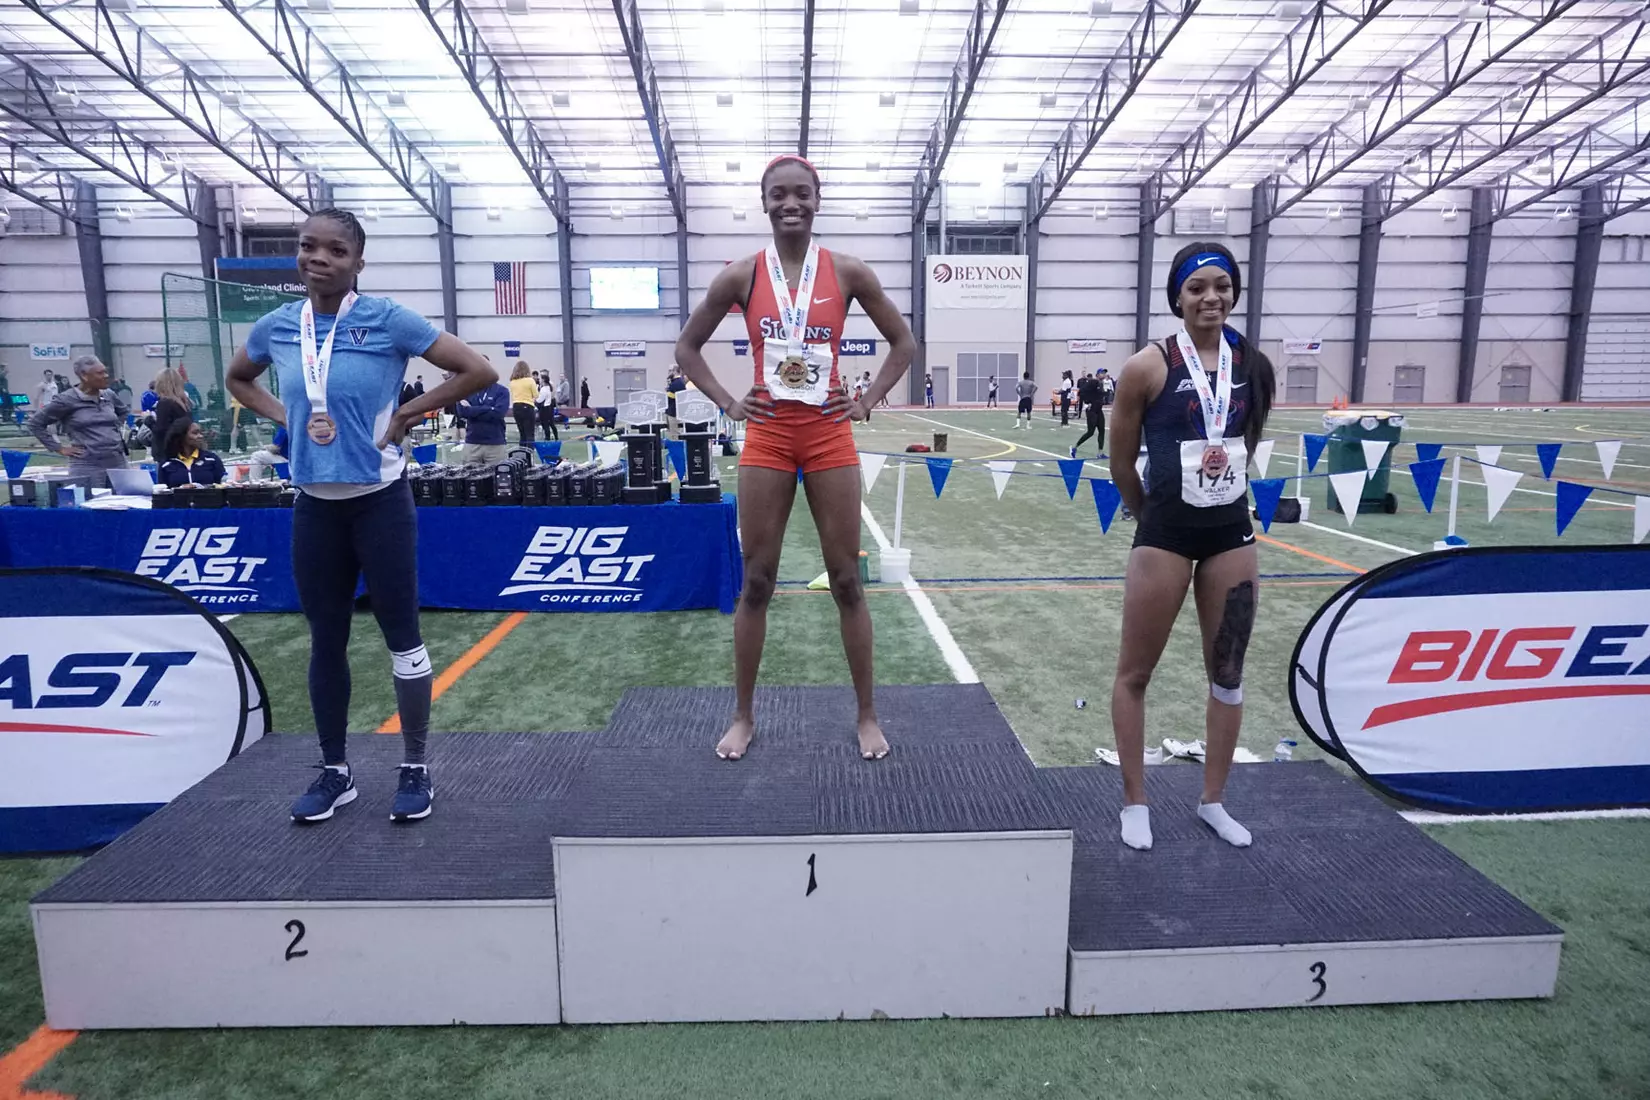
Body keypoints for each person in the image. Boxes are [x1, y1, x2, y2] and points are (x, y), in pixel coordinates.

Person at [227, 206, 495, 825]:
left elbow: (476, 369)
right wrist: (285, 417)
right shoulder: (277, 326)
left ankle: (416, 767)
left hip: (380, 503)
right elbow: (241, 378)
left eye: (335, 251)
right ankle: (335, 771)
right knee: (327, 640)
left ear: (357, 263)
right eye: (307, 247)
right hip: (315, 508)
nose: (318, 258)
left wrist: (407, 415)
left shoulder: (385, 319)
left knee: (402, 637)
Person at [675, 153, 915, 762]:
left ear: (817, 199)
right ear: (764, 203)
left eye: (801, 194)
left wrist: (867, 401)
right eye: (779, 195)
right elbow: (687, 347)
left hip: (830, 435)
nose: (791, 204)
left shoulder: (849, 272)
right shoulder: (741, 277)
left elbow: (904, 342)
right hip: (769, 438)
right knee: (756, 582)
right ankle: (743, 716)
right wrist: (730, 402)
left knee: (846, 582)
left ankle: (866, 714)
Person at [1107, 240, 1276, 853]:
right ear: (1177, 296)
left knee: (1227, 673)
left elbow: (1245, 446)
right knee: (1136, 672)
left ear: (1234, 293)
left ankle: (1214, 801)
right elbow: (1120, 462)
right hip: (1165, 535)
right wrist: (1150, 515)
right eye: (1197, 287)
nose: (1211, 297)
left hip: (1231, 532)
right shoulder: (1146, 368)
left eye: (1222, 286)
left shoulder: (1253, 366)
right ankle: (1135, 802)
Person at [26, 355, 130, 488]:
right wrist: (59, 448)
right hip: (87, 465)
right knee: (89, 505)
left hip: (117, 462)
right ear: (84, 376)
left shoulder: (109, 394)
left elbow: (123, 412)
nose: (106, 376)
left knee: (124, 503)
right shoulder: (66, 399)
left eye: (105, 371)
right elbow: (35, 424)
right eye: (100, 373)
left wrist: (113, 431)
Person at [457, 371, 511, 466]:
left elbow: (499, 413)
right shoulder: (465, 390)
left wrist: (472, 409)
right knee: (470, 478)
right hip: (472, 443)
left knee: (498, 477)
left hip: (495, 444)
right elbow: (462, 412)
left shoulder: (502, 391)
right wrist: (489, 408)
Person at [157, 418, 227, 488]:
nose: (200, 436)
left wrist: (201, 487)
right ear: (182, 436)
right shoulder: (166, 464)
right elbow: (163, 492)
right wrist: (181, 489)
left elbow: (223, 486)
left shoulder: (212, 459)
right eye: (195, 433)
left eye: (201, 433)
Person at [147, 367, 193, 460]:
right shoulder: (184, 403)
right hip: (181, 451)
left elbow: (161, 431)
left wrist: (148, 420)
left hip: (167, 453)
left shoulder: (165, 403)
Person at [1072, 370, 1104, 457]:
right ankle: (1075, 447)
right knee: (1090, 432)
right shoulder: (1093, 382)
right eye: (1102, 373)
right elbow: (1081, 391)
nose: (1104, 374)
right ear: (1097, 374)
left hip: (1099, 410)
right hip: (1092, 410)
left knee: (1102, 431)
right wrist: (1087, 402)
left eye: (1104, 373)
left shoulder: (1101, 384)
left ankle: (1100, 453)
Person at [508, 361, 537, 444]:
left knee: (522, 434)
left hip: (516, 407)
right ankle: (529, 454)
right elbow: (536, 395)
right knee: (530, 434)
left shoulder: (513, 382)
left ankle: (522, 454)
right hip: (527, 406)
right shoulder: (530, 381)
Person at [536, 370, 559, 441]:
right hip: (549, 406)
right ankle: (556, 437)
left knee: (545, 424)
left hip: (544, 408)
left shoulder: (544, 389)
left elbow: (539, 399)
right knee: (551, 423)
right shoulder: (548, 387)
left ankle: (547, 438)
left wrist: (535, 399)